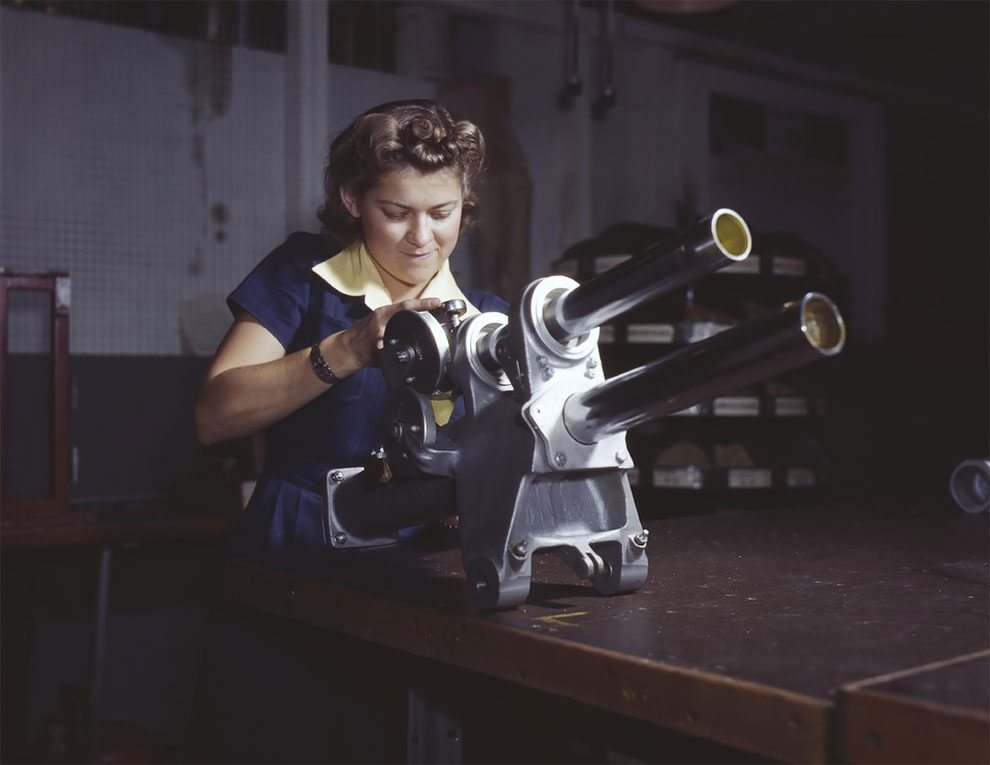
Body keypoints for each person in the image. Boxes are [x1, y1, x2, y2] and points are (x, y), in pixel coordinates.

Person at [194, 99, 509, 572]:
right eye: (396, 212)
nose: (422, 236)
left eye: (441, 212)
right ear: (352, 199)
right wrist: (349, 348)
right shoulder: (302, 276)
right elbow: (214, 418)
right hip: (296, 547)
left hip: (427, 563)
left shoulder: (489, 319)